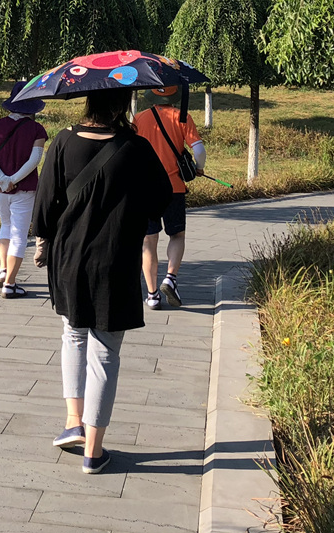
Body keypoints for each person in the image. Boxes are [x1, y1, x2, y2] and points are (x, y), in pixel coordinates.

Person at [33, 87, 172, 474]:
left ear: (87, 101)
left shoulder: (62, 142)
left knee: (73, 335)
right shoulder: (136, 148)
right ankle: (94, 451)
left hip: (68, 260)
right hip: (115, 260)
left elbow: (44, 210)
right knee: (105, 351)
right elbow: (159, 201)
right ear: (122, 105)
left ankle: (72, 422)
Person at [133, 87, 205, 309]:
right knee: (177, 235)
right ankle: (170, 278)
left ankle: (152, 295)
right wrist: (199, 168)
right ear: (173, 97)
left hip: (145, 188)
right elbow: (199, 150)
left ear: (153, 97)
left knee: (148, 240)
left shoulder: (139, 118)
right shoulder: (182, 117)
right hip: (174, 188)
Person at [0, 82, 48, 298]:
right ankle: (10, 284)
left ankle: (3, 270)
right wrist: (14, 179)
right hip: (24, 188)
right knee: (19, 233)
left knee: (6, 225)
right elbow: (35, 159)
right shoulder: (37, 129)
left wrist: (2, 179)